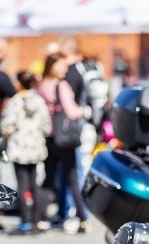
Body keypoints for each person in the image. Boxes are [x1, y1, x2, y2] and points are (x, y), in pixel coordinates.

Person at [37, 53, 90, 234]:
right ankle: (83, 218)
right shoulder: (62, 86)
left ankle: (41, 218)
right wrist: (84, 109)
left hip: (48, 137)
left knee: (49, 178)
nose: (65, 70)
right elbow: (72, 112)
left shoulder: (41, 85)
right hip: (64, 139)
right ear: (52, 66)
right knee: (73, 179)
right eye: (61, 66)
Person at [0, 71, 52, 234]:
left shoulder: (14, 102)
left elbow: (7, 126)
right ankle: (37, 219)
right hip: (35, 147)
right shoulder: (39, 101)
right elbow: (47, 126)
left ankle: (25, 221)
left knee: (22, 185)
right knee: (34, 183)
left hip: (19, 148)